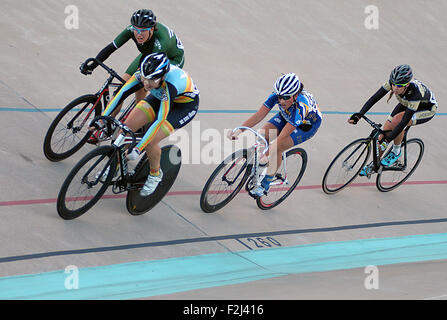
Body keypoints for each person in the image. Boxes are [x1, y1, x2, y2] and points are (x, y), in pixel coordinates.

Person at [80, 9, 185, 142]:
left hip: (170, 58)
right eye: (136, 29)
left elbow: (150, 71)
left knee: (144, 82)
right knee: (121, 88)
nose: (139, 34)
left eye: (143, 30)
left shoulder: (161, 42)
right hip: (148, 53)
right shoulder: (131, 30)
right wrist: (94, 64)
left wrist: (139, 83)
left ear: (152, 29)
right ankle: (106, 125)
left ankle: (137, 118)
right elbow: (111, 47)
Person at [116, 52, 199, 197]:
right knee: (124, 129)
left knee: (150, 142)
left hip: (182, 108)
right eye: (144, 78)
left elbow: (161, 119)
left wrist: (138, 147)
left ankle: (155, 174)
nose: (146, 84)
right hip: (159, 97)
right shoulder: (146, 74)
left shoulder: (170, 85)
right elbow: (121, 93)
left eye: (151, 80)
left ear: (162, 77)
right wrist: (103, 118)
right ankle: (114, 166)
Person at [228, 73, 322, 198]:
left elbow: (282, 136)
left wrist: (266, 155)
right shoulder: (279, 94)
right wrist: (239, 131)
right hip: (286, 115)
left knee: (277, 147)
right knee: (261, 135)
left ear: (295, 95)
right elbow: (259, 115)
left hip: (306, 126)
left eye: (286, 97)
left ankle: (265, 183)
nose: (281, 101)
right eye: (279, 97)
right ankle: (261, 166)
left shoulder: (301, 107)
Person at [349, 64, 437, 176]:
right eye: (394, 84)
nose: (395, 88)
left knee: (397, 122)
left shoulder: (415, 93)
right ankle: (374, 165)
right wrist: (359, 115)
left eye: (399, 86)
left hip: (425, 109)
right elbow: (374, 98)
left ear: (407, 84)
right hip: (406, 103)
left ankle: (396, 151)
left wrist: (389, 140)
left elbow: (404, 121)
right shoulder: (392, 83)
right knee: (382, 136)